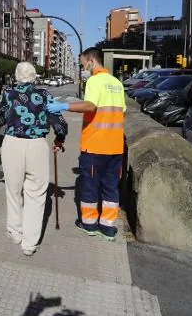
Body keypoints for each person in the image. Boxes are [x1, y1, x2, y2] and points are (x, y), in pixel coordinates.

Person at [0, 62, 68, 256]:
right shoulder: (44, 95)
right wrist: (59, 138)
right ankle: (29, 244)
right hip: (37, 145)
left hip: (12, 143)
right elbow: (58, 121)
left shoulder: (8, 93)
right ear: (34, 77)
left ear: (16, 76)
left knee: (13, 190)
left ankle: (15, 232)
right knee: (37, 194)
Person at [47, 47, 126, 241]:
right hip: (115, 146)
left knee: (89, 185)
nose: (83, 67)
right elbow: (122, 111)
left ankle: (89, 223)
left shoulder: (94, 80)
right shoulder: (117, 83)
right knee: (110, 187)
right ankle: (108, 227)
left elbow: (90, 106)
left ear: (91, 61)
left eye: (82, 63)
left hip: (95, 146)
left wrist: (64, 106)